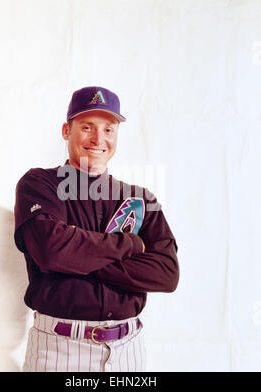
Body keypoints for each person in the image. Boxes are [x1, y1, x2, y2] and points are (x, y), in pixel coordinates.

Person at [13, 86, 179, 372]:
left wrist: (77, 259)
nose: (98, 139)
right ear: (67, 130)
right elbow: (52, 252)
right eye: (87, 126)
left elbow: (166, 274)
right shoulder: (39, 185)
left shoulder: (141, 198)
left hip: (128, 349)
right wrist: (129, 246)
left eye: (108, 129)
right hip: (60, 348)